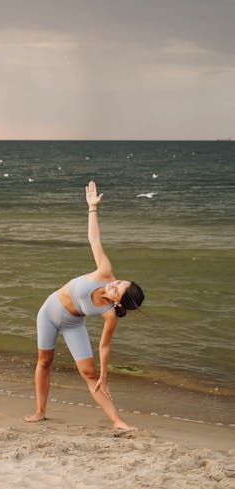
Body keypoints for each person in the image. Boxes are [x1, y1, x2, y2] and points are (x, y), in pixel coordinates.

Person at [25, 181, 144, 430]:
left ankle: (117, 421)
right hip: (49, 312)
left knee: (90, 375)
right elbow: (94, 239)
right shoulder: (105, 271)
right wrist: (92, 208)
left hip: (72, 324)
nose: (112, 285)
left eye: (116, 290)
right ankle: (39, 412)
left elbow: (104, 346)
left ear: (118, 302)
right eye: (119, 282)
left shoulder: (110, 315)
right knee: (44, 362)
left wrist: (105, 376)